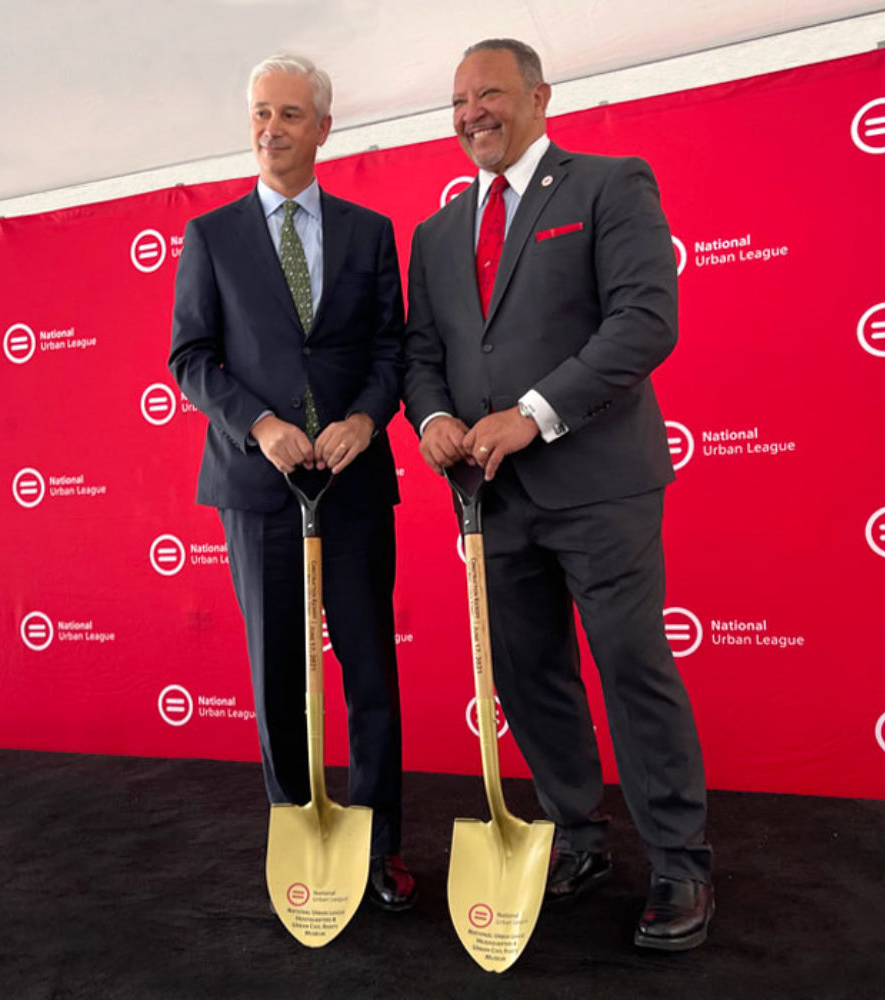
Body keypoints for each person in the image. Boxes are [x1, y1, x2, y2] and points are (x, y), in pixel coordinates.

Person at [403, 38, 712, 949]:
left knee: (630, 668)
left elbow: (646, 321)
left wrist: (532, 414)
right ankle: (578, 838)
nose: (471, 115)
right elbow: (426, 356)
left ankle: (680, 865)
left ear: (539, 95)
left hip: (600, 487)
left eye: (489, 94)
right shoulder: (436, 232)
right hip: (488, 497)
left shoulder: (611, 183)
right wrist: (431, 424)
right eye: (458, 101)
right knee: (532, 679)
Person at [169, 53, 415, 911]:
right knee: (276, 670)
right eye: (259, 114)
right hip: (256, 484)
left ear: (323, 127)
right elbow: (190, 358)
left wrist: (367, 419)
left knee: (370, 670)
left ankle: (379, 847)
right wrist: (261, 424)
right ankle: (298, 836)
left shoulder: (369, 231)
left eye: (288, 114)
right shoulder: (211, 237)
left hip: (352, 480)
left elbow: (392, 348)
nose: (270, 129)